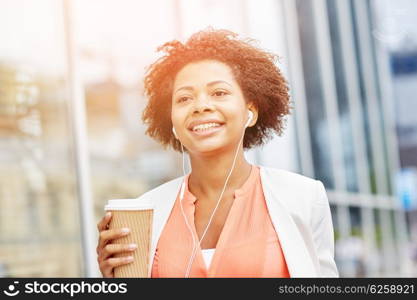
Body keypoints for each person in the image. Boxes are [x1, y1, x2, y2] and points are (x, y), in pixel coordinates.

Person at [96, 28, 339, 278]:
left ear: (250, 111)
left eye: (219, 93)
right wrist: (115, 282)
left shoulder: (303, 198)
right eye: (184, 98)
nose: (201, 106)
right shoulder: (147, 210)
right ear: (172, 123)